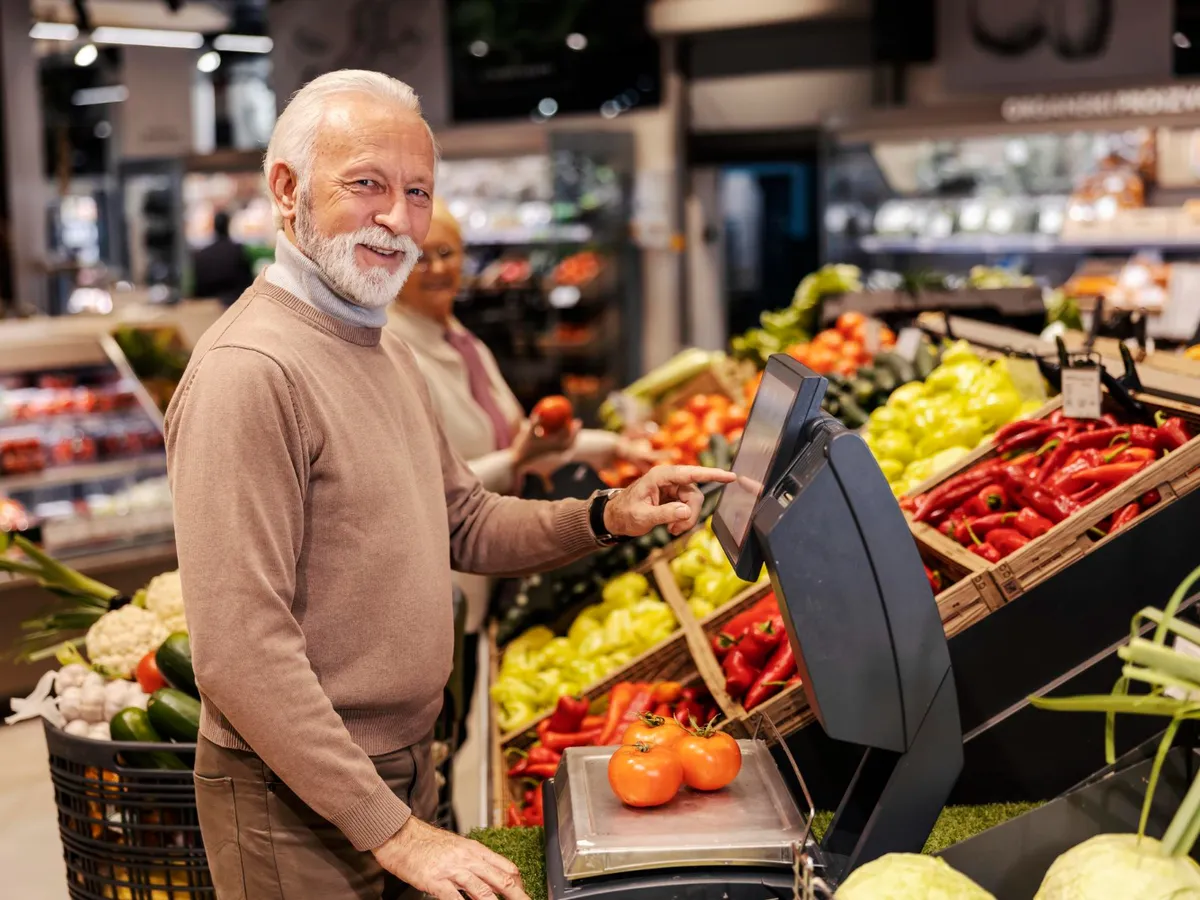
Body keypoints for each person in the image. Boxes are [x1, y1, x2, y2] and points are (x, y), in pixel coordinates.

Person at [164, 69, 733, 900]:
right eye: (367, 184)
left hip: (402, 768)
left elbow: (462, 520)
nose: (399, 220)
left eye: (418, 192)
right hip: (292, 804)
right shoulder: (248, 373)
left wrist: (607, 514)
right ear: (286, 191)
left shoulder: (383, 347)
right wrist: (393, 832)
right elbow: (240, 652)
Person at [387, 198, 657, 710]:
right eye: (419, 256)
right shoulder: (393, 354)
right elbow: (428, 489)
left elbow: (521, 444)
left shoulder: (464, 342)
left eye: (447, 252)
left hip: (494, 568)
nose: (437, 268)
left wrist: (615, 447)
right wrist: (516, 460)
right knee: (450, 711)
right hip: (442, 587)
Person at [191, 209, 255, 306]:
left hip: (208, 303)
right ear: (228, 225)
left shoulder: (202, 254)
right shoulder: (238, 251)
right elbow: (248, 282)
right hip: (235, 302)